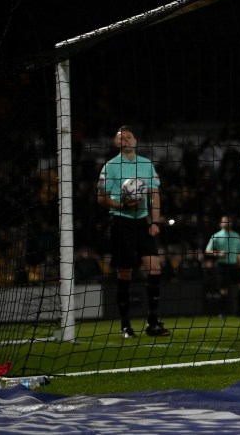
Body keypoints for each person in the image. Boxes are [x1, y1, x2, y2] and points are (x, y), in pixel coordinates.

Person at [97, 125, 170, 338]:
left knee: (155, 268)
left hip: (142, 223)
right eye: (121, 138)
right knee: (125, 272)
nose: (125, 140)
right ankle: (125, 325)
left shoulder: (146, 165)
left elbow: (155, 194)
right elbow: (100, 199)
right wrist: (122, 205)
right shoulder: (110, 167)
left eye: (129, 137)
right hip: (120, 222)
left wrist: (155, 221)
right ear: (116, 143)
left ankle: (153, 323)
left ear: (135, 141)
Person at [204, 215, 240, 316]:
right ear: (221, 223)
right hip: (222, 266)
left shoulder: (236, 235)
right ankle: (222, 312)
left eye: (228, 221)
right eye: (224, 221)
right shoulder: (216, 236)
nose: (227, 223)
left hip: (234, 266)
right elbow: (207, 251)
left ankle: (239, 310)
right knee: (223, 290)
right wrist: (218, 253)